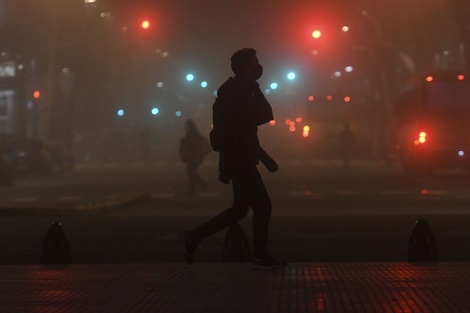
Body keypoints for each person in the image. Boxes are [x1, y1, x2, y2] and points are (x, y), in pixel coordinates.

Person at [180, 48, 286, 270]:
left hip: (240, 158)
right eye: (255, 63)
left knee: (239, 210)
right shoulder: (238, 91)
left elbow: (247, 128)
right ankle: (260, 254)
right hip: (240, 160)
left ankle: (193, 237)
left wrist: (265, 159)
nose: (259, 67)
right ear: (246, 68)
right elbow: (258, 118)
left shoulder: (240, 89)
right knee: (263, 207)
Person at [179, 119, 210, 194]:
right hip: (192, 157)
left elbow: (190, 145)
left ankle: (198, 187)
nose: (186, 127)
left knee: (191, 172)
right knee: (191, 172)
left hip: (194, 157)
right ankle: (198, 186)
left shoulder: (193, 135)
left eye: (187, 126)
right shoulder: (192, 135)